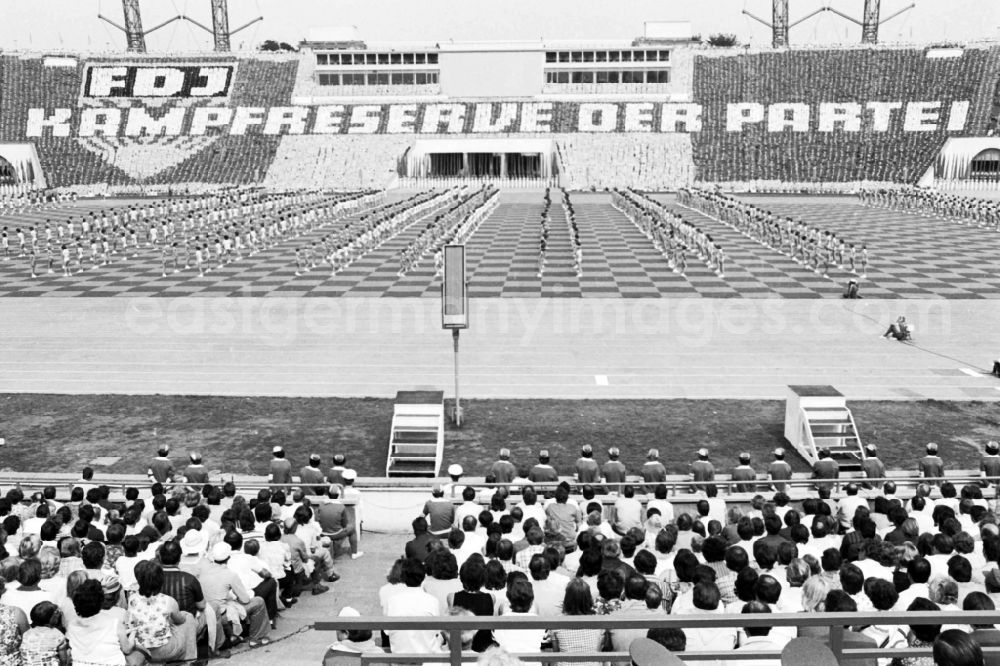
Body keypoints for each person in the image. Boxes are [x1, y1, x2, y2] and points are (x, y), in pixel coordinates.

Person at [127, 560, 199, 663]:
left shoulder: (131, 598)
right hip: (165, 650)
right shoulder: (168, 601)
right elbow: (180, 621)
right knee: (188, 617)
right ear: (161, 581)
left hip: (141, 651)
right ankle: (190, 659)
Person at [65, 579, 133, 666]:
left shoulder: (72, 625)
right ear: (101, 601)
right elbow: (127, 649)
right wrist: (133, 633)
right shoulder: (113, 623)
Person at [384, 558, 442, 657]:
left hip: (399, 659)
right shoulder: (433, 601)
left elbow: (387, 632)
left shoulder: (392, 601)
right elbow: (437, 631)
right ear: (423, 577)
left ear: (402, 578)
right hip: (427, 659)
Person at [551, 578, 604, 666]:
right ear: (588, 599)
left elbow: (556, 653)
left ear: (567, 598)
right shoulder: (598, 621)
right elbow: (598, 651)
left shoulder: (557, 622)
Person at [19, 601, 70, 666]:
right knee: (68, 651)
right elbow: (64, 660)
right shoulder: (57, 634)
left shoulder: (27, 634)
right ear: (54, 618)